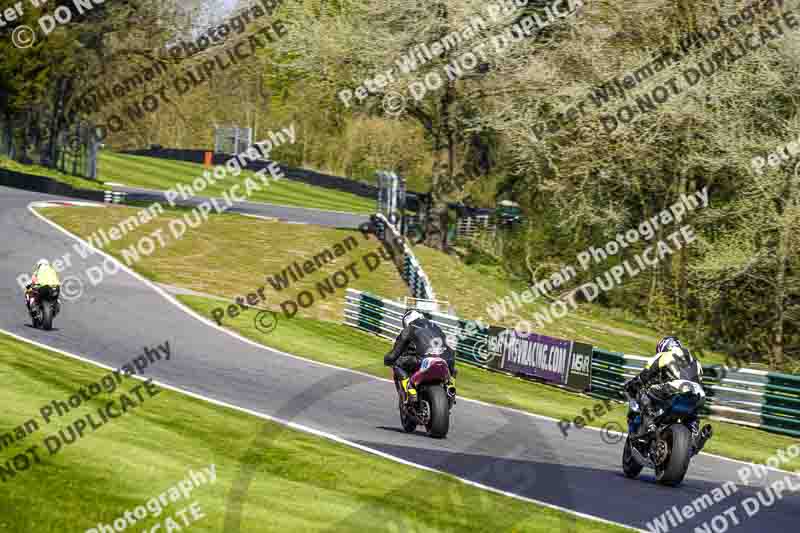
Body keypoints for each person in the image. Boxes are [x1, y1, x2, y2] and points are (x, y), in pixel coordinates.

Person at [624, 336, 704, 438]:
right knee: (693, 412)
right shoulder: (696, 361)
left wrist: (631, 386)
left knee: (645, 393)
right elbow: (699, 380)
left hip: (676, 388)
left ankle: (649, 424)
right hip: (699, 393)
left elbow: (645, 375)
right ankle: (695, 431)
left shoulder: (664, 355)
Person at [384, 309, 456, 404]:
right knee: (454, 370)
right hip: (447, 359)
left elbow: (394, 354)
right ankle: (451, 387)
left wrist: (387, 360)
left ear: (407, 321)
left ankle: (409, 391)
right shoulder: (435, 326)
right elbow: (449, 346)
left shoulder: (409, 328)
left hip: (424, 359)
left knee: (397, 363)